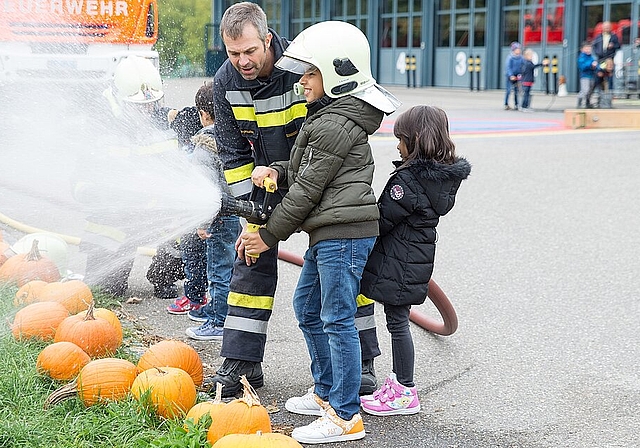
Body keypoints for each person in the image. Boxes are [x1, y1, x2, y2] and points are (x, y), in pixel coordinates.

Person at [207, 2, 381, 398]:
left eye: (250, 51)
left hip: (321, 177)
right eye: (233, 54)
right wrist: (250, 220)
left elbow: (332, 129)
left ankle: (362, 362)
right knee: (248, 260)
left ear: (267, 39)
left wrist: (289, 204)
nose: (242, 62)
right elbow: (233, 155)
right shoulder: (224, 83)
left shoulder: (305, 67)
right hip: (266, 181)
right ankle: (243, 362)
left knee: (341, 269)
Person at [239, 21, 400, 444]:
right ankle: (328, 391)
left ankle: (345, 416)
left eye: (310, 73)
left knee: (336, 318)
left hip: (342, 233)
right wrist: (277, 170)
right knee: (309, 308)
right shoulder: (331, 117)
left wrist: (267, 236)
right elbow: (309, 171)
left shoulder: (333, 123)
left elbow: (309, 189)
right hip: (330, 232)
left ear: (336, 73)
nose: (302, 81)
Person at [358, 105, 471, 417]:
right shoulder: (441, 179)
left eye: (401, 139)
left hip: (399, 261)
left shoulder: (406, 182)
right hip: (416, 258)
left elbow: (382, 220)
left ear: (415, 140)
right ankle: (398, 383)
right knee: (398, 320)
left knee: (397, 322)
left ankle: (405, 390)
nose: (397, 145)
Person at [182, 81, 241, 340]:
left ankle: (218, 322)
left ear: (203, 114)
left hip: (217, 217)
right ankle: (218, 310)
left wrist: (203, 222)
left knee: (218, 270)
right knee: (228, 266)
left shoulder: (204, 145)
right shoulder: (232, 138)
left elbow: (206, 189)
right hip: (235, 213)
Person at [592, 21, 620, 90]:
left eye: (608, 27)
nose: (607, 28)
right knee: (599, 75)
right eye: (605, 27)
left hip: (610, 59)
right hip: (601, 59)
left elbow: (619, 46)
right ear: (603, 27)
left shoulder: (614, 37)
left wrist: (613, 46)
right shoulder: (598, 37)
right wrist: (598, 53)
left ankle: (610, 93)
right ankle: (599, 92)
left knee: (609, 76)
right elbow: (594, 46)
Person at [577, 41, 598, 109]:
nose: (588, 50)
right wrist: (590, 65)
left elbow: (596, 65)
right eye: (586, 48)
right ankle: (580, 101)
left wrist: (597, 67)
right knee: (585, 90)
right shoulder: (581, 57)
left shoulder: (592, 57)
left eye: (589, 48)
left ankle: (587, 102)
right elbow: (582, 67)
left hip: (592, 76)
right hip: (585, 77)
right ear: (582, 49)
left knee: (590, 90)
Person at [503, 41, 523, 110]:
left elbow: (522, 67)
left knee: (516, 91)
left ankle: (517, 104)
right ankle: (506, 104)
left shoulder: (521, 58)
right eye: (517, 49)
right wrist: (511, 75)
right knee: (508, 90)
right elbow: (508, 67)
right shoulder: (510, 58)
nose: (519, 50)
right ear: (514, 50)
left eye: (519, 49)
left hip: (517, 76)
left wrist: (520, 75)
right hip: (510, 77)